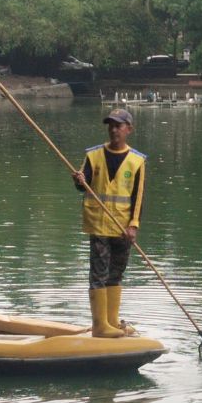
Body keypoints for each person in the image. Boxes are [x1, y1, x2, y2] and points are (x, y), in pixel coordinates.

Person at [72, 108, 146, 338]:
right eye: (111, 125)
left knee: (116, 273)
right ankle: (100, 326)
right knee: (99, 274)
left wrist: (133, 225)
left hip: (122, 227)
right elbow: (82, 185)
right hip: (98, 223)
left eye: (119, 126)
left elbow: (138, 196)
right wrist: (79, 181)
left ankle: (112, 321)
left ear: (128, 130)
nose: (114, 130)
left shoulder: (137, 160)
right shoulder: (93, 155)